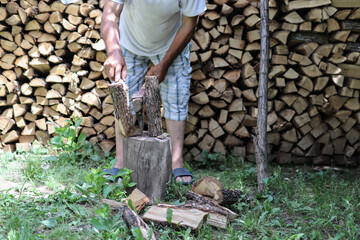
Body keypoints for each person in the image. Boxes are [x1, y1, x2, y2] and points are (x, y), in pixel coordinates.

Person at [100, 0, 206, 184]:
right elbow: (110, 15)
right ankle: (121, 160)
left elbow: (190, 23)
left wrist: (164, 64)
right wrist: (114, 52)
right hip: (129, 42)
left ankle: (176, 162)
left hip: (171, 43)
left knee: (176, 97)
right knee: (123, 98)